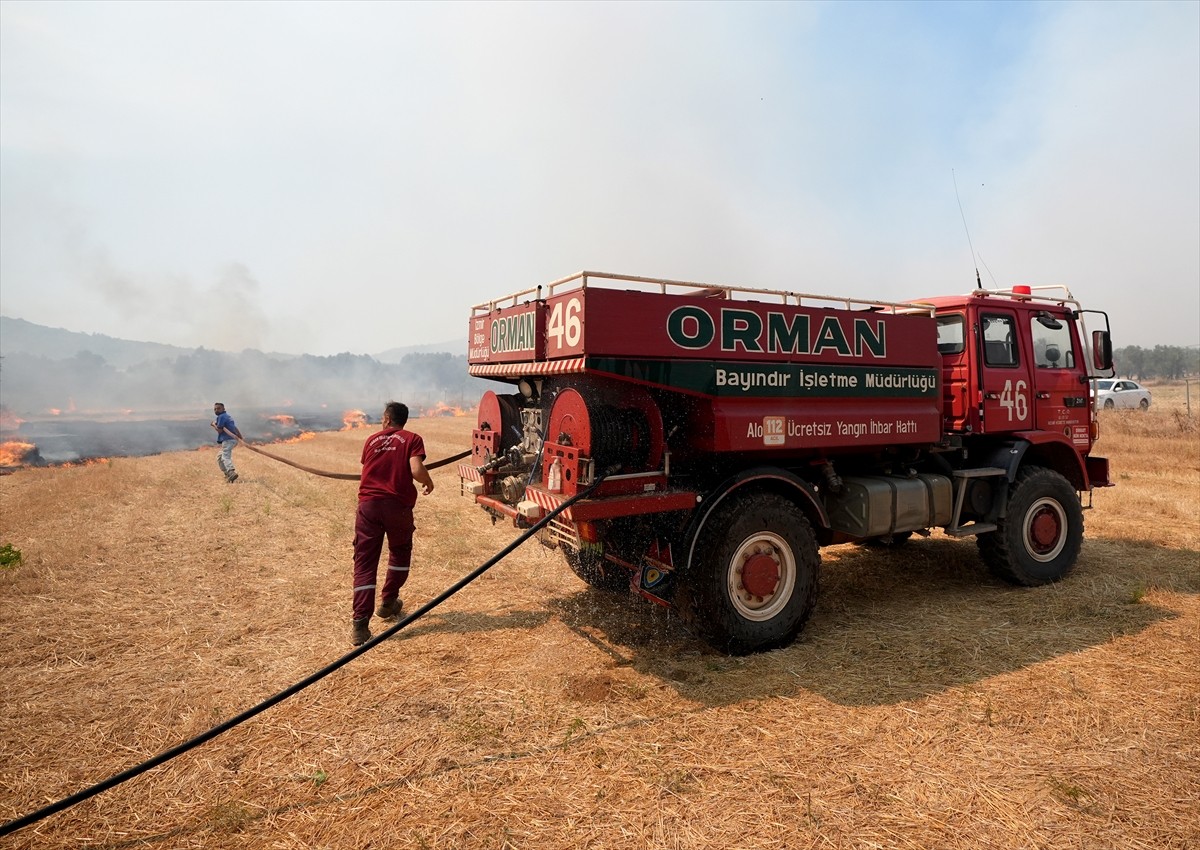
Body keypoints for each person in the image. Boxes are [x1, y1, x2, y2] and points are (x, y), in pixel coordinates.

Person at [351, 401, 435, 646]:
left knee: (365, 562)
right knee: (399, 552)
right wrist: (428, 482)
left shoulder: (371, 440)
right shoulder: (412, 438)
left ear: (387, 419)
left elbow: (371, 468)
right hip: (397, 507)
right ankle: (388, 602)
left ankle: (360, 626)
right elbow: (416, 469)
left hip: (368, 507)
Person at [211, 402, 244, 483]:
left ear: (223, 409)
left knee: (225, 456)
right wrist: (240, 438)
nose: (216, 410)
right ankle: (228, 474)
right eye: (215, 409)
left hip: (228, 440)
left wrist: (213, 424)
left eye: (218, 408)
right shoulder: (228, 417)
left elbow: (220, 430)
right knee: (219, 457)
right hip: (232, 439)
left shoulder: (221, 417)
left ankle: (231, 471)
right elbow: (235, 428)